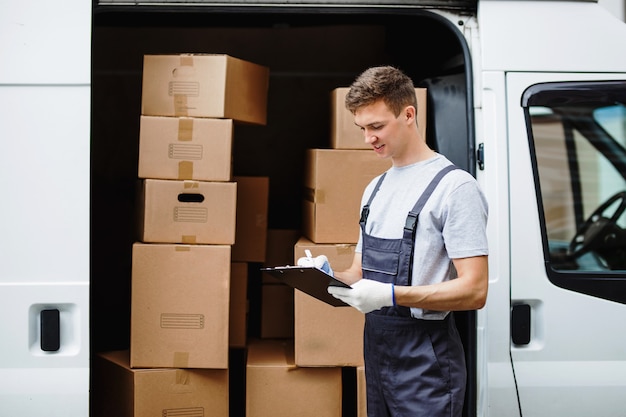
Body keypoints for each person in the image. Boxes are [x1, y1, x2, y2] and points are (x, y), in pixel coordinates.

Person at [327, 66, 488, 416]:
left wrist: (391, 295)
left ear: (409, 114)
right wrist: (325, 278)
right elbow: (358, 272)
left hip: (426, 359)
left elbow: (475, 290)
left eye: (377, 126)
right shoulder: (376, 189)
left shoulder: (455, 188)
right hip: (378, 349)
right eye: (362, 129)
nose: (368, 137)